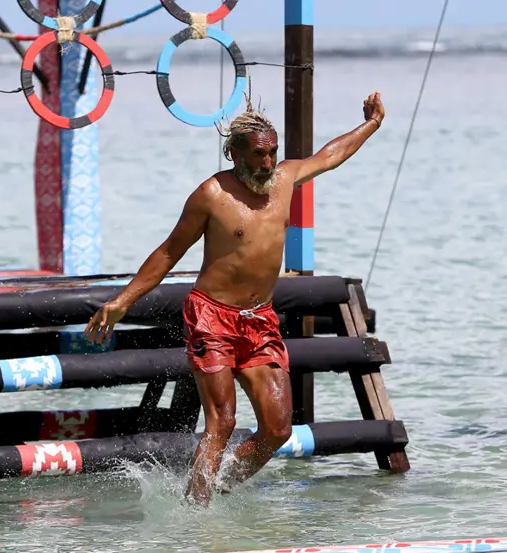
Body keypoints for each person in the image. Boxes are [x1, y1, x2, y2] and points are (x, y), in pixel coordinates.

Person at [84, 89, 386, 506]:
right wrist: (124, 300)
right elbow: (170, 251)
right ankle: (199, 518)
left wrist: (370, 124)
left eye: (272, 153)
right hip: (211, 317)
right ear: (233, 153)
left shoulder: (285, 179)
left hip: (260, 319)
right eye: (258, 155)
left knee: (278, 428)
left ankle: (208, 491)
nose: (267, 163)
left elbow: (329, 155)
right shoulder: (211, 195)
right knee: (222, 422)